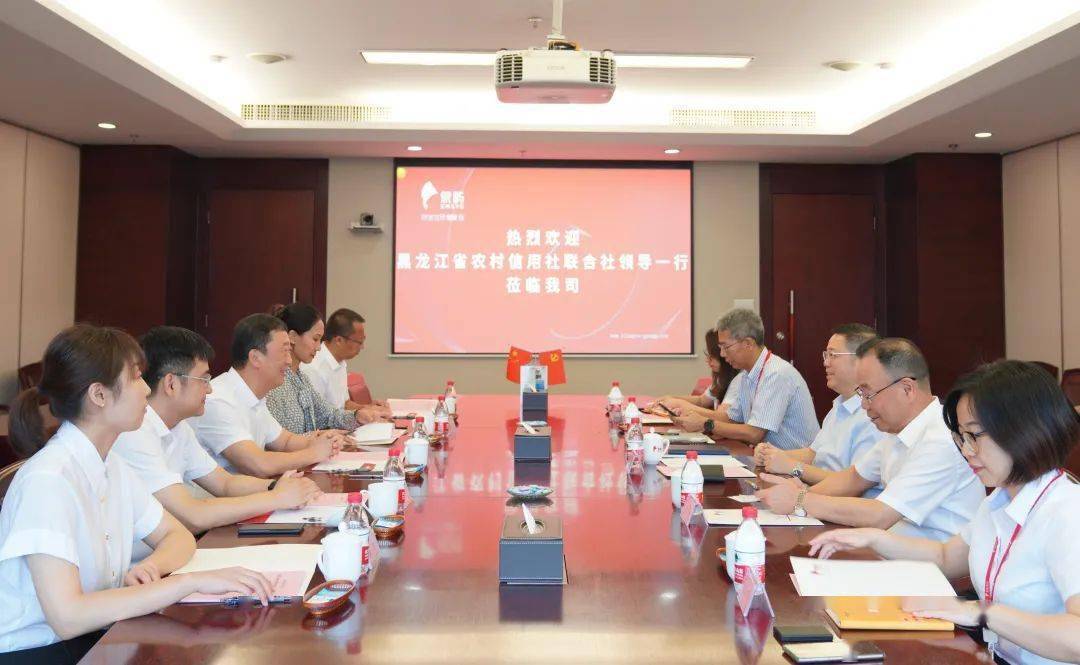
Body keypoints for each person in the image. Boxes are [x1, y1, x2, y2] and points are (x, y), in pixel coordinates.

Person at [0, 325, 271, 663]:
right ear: (99, 395)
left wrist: (152, 567)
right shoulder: (48, 480)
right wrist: (186, 583)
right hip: (38, 650)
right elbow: (67, 616)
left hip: (93, 634)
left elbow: (178, 536)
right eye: (136, 377)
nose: (145, 389)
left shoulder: (111, 465)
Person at [809, 360, 1080, 665]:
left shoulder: (1067, 511)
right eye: (961, 437)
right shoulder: (1000, 499)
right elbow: (945, 556)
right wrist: (874, 539)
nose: (966, 451)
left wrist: (980, 612)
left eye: (974, 436)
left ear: (1025, 429)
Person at [111, 326, 323, 550]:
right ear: (171, 384)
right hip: (147, 563)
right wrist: (277, 498)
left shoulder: (179, 427)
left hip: (174, 552)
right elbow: (193, 515)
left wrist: (275, 486)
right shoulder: (135, 433)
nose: (210, 389)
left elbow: (225, 483)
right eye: (203, 379)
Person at [756, 338, 985, 541]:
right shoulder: (898, 430)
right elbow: (854, 478)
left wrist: (800, 500)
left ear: (907, 389)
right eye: (861, 395)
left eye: (869, 394)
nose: (864, 405)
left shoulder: (941, 438)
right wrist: (802, 494)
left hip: (930, 567)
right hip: (890, 550)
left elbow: (880, 514)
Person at [190, 314, 342, 478]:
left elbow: (284, 441)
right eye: (285, 352)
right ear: (255, 358)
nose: (289, 361)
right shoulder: (218, 400)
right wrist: (314, 453)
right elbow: (257, 464)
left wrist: (322, 441)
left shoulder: (255, 396)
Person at [753, 324, 882, 494]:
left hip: (840, 503)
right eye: (826, 355)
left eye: (833, 355)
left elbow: (853, 484)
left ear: (862, 360)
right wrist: (771, 454)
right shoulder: (839, 405)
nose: (826, 363)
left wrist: (793, 467)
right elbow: (814, 454)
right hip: (817, 493)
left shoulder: (873, 416)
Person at [672, 308, 819, 450]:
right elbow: (731, 418)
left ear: (748, 343)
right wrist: (692, 416)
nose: (722, 354)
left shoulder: (776, 374)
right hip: (770, 458)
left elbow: (754, 434)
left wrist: (705, 423)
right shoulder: (746, 375)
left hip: (796, 463)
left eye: (725, 347)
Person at [266, 304, 389, 434]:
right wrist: (321, 437)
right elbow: (280, 440)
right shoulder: (275, 383)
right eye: (315, 339)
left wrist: (357, 416)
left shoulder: (301, 378)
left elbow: (329, 415)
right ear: (292, 337)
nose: (319, 347)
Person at [301, 307, 389, 415]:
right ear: (339, 340)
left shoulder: (341, 362)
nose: (362, 347)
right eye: (359, 342)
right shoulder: (313, 368)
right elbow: (316, 417)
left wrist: (369, 408)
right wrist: (358, 415)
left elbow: (344, 404)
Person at [651, 329, 741, 418]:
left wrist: (681, 404)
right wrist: (672, 398)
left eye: (712, 356)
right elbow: (702, 401)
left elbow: (722, 417)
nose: (707, 360)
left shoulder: (739, 379)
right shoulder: (721, 379)